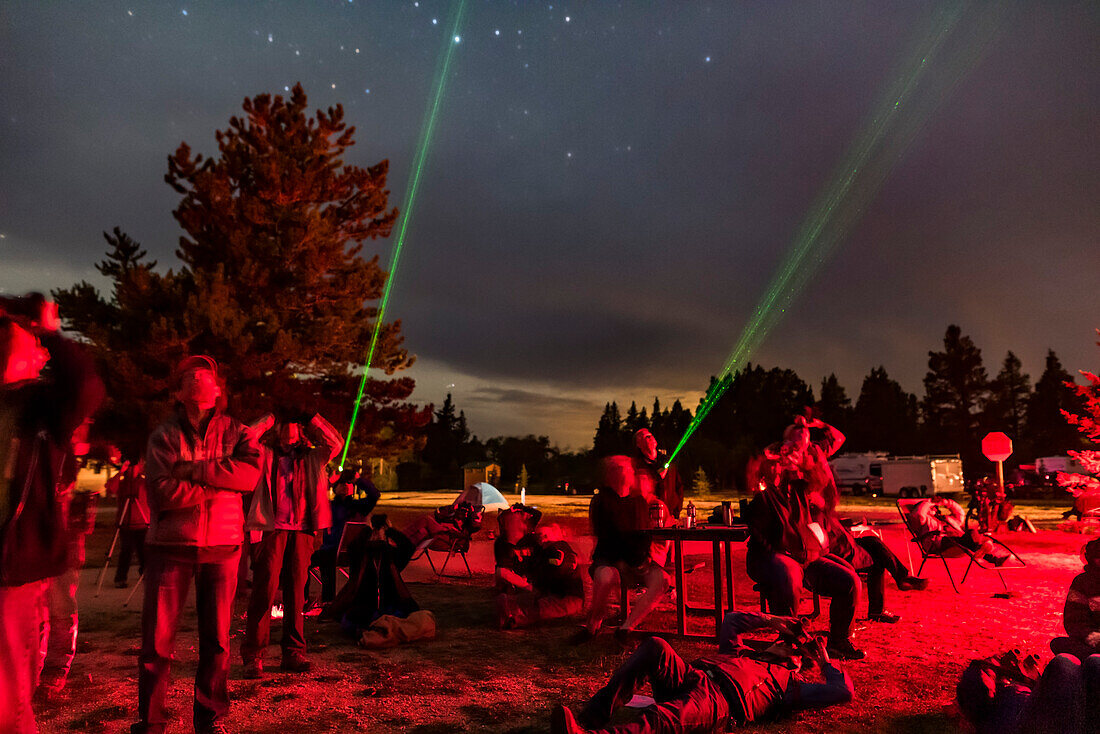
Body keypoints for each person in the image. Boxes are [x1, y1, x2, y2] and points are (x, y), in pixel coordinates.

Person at [133, 355, 261, 734]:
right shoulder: (163, 436)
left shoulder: (239, 432)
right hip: (169, 548)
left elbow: (250, 475)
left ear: (219, 390)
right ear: (179, 391)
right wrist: (218, 484)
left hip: (223, 547)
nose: (199, 379)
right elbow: (160, 493)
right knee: (156, 644)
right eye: (190, 375)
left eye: (206, 375)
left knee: (217, 642)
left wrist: (196, 472)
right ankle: (152, 721)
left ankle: (210, 718)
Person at [0, 295, 104, 734]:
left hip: (15, 563)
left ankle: (56, 669)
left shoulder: (39, 407)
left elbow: (86, 385)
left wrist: (47, 331)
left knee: (7, 696)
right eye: (31, 344)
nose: (40, 354)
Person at [552, 611, 854, 733]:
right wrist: (773, 620)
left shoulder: (789, 684)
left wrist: (825, 662)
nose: (783, 643)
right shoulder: (741, 652)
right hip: (690, 676)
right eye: (783, 640)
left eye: (791, 646)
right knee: (655, 645)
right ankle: (593, 715)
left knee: (663, 718)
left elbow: (843, 691)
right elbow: (733, 620)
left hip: (720, 702)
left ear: (798, 661)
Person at [242, 412, 343, 678]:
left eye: (293, 423)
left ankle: (293, 652)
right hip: (271, 530)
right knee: (263, 591)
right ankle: (254, 655)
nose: (288, 429)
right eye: (283, 425)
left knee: (297, 595)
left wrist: (314, 418)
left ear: (300, 430)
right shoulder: (265, 454)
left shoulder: (312, 457)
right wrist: (270, 417)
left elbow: (336, 443)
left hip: (302, 531)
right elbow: (242, 439)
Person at [573, 456, 670, 644]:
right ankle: (593, 625)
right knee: (607, 576)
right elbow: (610, 537)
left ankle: (627, 627)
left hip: (634, 562)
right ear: (613, 473)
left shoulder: (639, 502)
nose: (631, 472)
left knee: (663, 580)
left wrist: (643, 561)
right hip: (609, 560)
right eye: (626, 468)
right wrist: (627, 561)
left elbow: (643, 535)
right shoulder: (601, 501)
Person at [956, 648, 1100, 734]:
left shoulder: (1009, 690)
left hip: (1052, 720)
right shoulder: (983, 689)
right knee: (1066, 664)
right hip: (1031, 727)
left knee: (1086, 664)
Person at [495, 505, 584, 629]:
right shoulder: (540, 548)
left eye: (545, 536)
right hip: (550, 592)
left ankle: (513, 619)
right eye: (539, 536)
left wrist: (534, 583)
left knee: (543, 606)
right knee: (535, 601)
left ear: (556, 536)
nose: (542, 539)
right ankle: (510, 605)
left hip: (567, 597)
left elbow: (557, 568)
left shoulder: (557, 549)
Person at [308, 467, 378, 605]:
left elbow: (374, 495)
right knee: (304, 561)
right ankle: (308, 599)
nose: (345, 486)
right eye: (342, 483)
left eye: (348, 484)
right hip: (331, 551)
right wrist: (327, 481)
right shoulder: (329, 506)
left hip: (351, 552)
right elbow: (314, 497)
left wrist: (357, 480)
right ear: (335, 487)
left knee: (327, 556)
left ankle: (331, 600)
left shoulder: (359, 506)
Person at [906, 496, 1009, 565]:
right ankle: (988, 553)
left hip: (958, 541)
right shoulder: (924, 521)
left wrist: (946, 502)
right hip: (940, 544)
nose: (935, 509)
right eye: (932, 508)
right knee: (973, 534)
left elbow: (960, 512)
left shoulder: (948, 519)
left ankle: (990, 556)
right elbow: (918, 513)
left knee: (973, 535)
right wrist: (929, 502)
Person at [1051, 538, 1100, 660]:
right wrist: (1095, 640)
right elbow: (1075, 623)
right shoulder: (1083, 582)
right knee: (1059, 644)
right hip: (1094, 643)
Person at [106, 459, 151, 588]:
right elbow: (109, 487)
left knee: (144, 552)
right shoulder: (122, 483)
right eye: (130, 467)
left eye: (134, 466)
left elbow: (155, 488)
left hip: (142, 522)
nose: (132, 469)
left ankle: (146, 574)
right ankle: (120, 578)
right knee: (126, 551)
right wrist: (121, 472)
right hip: (125, 524)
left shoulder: (143, 483)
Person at [633, 428, 685, 519]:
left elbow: (679, 486)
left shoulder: (668, 461)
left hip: (671, 515)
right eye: (646, 437)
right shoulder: (637, 467)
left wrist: (677, 508)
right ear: (638, 444)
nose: (651, 437)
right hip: (650, 518)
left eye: (651, 435)